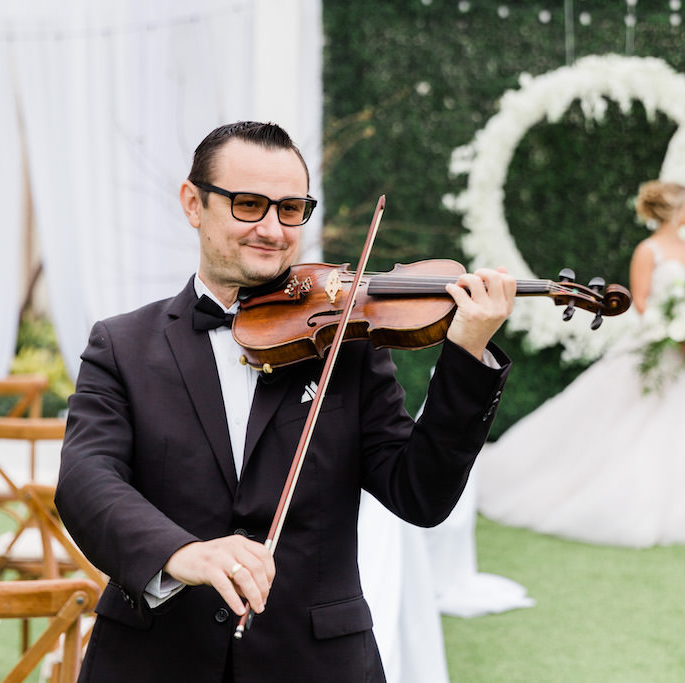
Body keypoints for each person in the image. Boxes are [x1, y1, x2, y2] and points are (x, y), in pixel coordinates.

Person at [55, 121, 516, 682]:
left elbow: (420, 494)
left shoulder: (346, 341)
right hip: (154, 659)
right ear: (193, 203)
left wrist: (466, 351)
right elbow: (86, 479)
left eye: (291, 209)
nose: (273, 230)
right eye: (249, 205)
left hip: (314, 661)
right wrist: (181, 554)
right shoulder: (121, 344)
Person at [475, 180, 685, 548]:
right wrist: (678, 330)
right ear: (676, 208)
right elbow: (641, 303)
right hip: (662, 346)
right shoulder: (648, 250)